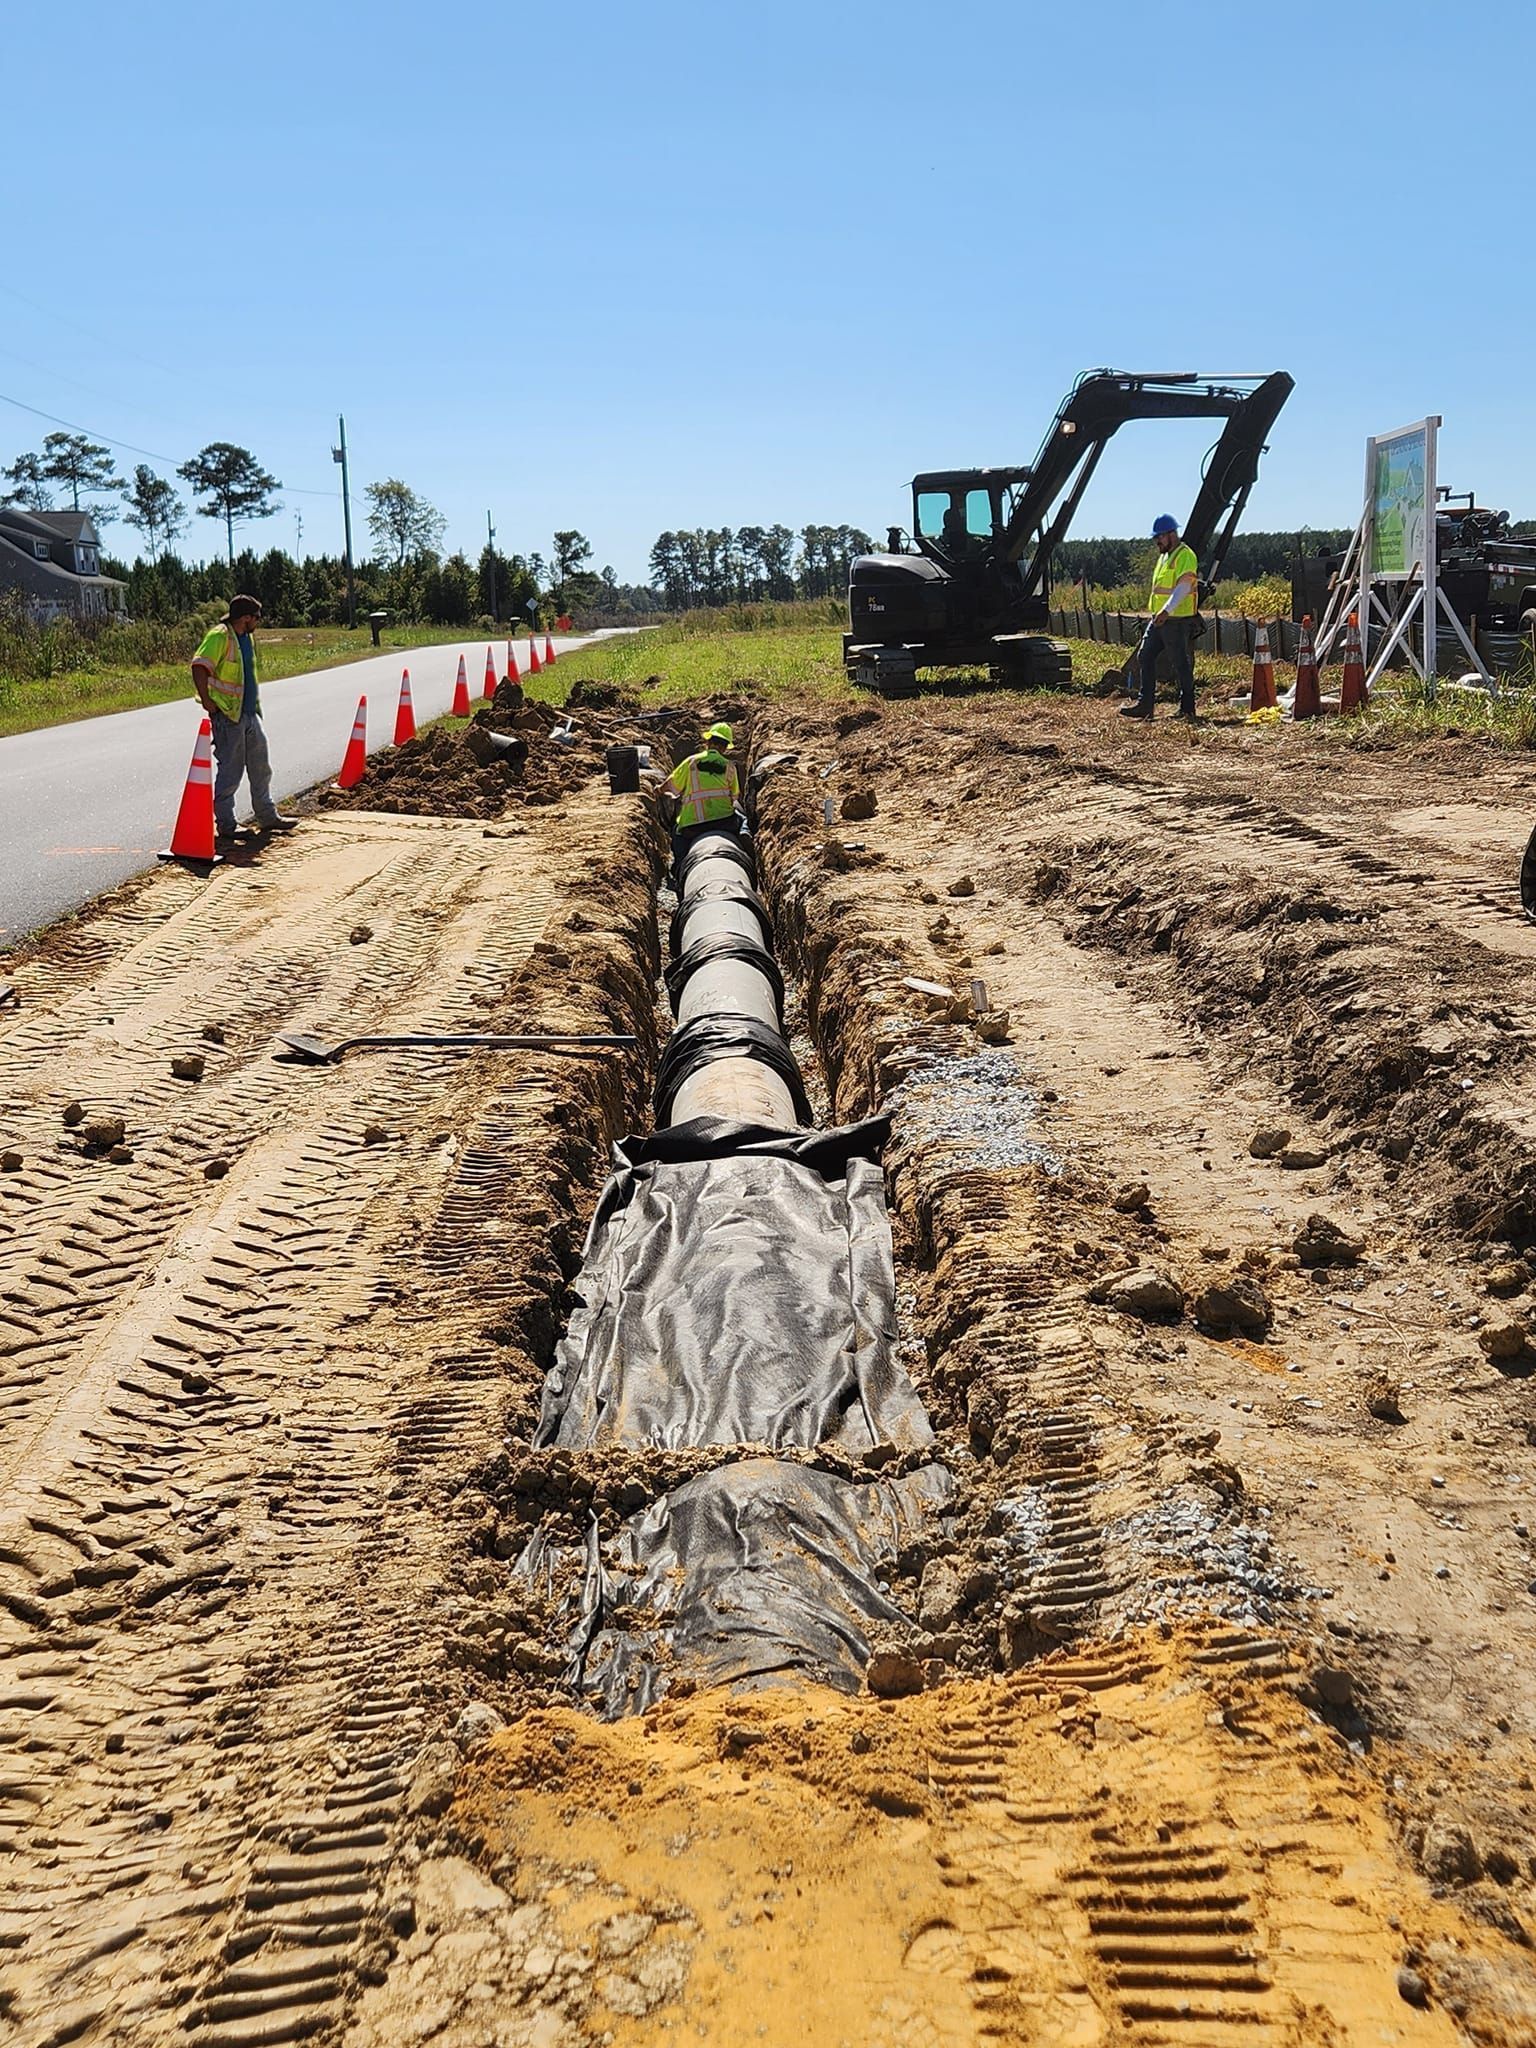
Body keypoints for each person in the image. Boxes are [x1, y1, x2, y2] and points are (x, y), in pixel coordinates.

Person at [190, 596, 297, 841]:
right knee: (231, 770)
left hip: (247, 713)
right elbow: (199, 666)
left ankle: (267, 816)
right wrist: (207, 701)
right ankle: (226, 825)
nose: (258, 622)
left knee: (261, 766)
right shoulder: (220, 636)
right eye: (257, 617)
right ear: (246, 617)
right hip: (228, 715)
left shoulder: (245, 638)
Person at [1121, 515, 1199, 722]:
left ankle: (1187, 709)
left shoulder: (1185, 555)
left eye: (1160, 537)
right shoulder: (1164, 556)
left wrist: (1166, 610)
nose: (1157, 541)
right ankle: (1145, 705)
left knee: (1180, 663)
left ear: (1172, 534)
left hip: (1175, 619)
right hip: (1160, 619)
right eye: (1156, 537)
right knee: (1145, 656)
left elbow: (1183, 587)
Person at [662, 721, 743, 856]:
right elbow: (735, 797)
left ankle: (677, 865)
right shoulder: (730, 767)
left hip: (693, 825)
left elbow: (672, 786)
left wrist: (659, 789)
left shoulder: (691, 762)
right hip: (724, 821)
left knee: (676, 835)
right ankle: (749, 849)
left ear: (708, 742)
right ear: (724, 748)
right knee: (743, 820)